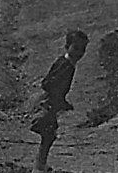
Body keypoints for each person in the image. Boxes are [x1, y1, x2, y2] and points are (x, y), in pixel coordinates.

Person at [30, 29, 89, 173]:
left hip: (53, 103)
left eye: (82, 49)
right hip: (50, 104)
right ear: (67, 47)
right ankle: (39, 166)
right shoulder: (65, 65)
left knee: (49, 135)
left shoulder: (67, 64)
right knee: (48, 134)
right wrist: (57, 99)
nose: (79, 53)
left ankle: (40, 164)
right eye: (75, 48)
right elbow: (50, 84)